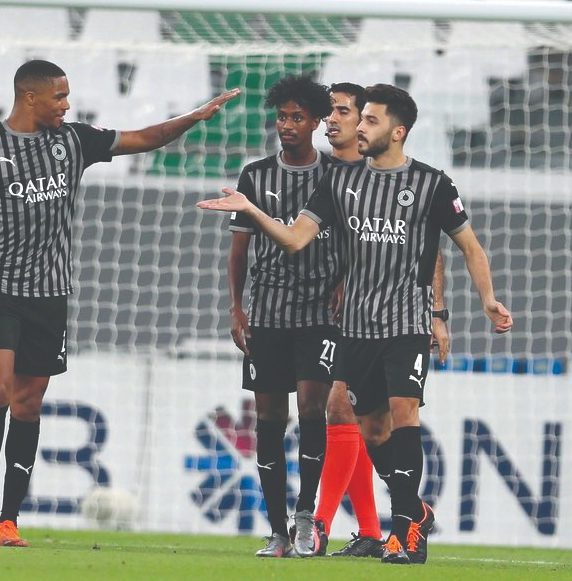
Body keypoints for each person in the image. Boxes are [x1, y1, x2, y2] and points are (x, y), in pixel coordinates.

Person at [0, 59, 240, 548]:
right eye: (59, 96)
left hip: (51, 296)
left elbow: (142, 138)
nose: (67, 104)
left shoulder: (73, 140)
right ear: (29, 97)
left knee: (29, 401)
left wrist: (193, 116)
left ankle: (10, 520)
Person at [199, 84, 512, 565]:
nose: (358, 126)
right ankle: (416, 512)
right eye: (358, 117)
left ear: (397, 130)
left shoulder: (432, 184)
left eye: (368, 119)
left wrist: (485, 300)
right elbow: (295, 240)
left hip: (406, 320)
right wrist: (253, 211)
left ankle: (404, 533)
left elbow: (468, 246)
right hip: (355, 327)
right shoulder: (341, 183)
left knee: (406, 414)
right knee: (373, 431)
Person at [314, 83, 452, 558]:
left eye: (344, 112)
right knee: (356, 419)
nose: (333, 119)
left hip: (394, 316)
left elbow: (428, 250)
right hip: (339, 313)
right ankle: (403, 515)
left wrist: (437, 312)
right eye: (330, 111)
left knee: (355, 409)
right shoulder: (332, 177)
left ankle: (371, 526)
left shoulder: (413, 181)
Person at [225, 74, 335, 558]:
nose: (286, 125)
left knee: (312, 409)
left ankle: (307, 519)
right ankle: (276, 530)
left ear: (315, 122)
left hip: (319, 313)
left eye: (297, 118)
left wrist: (346, 284)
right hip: (267, 311)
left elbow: (352, 240)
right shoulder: (255, 175)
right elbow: (239, 250)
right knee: (269, 416)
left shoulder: (338, 174)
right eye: (281, 117)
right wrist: (236, 305)